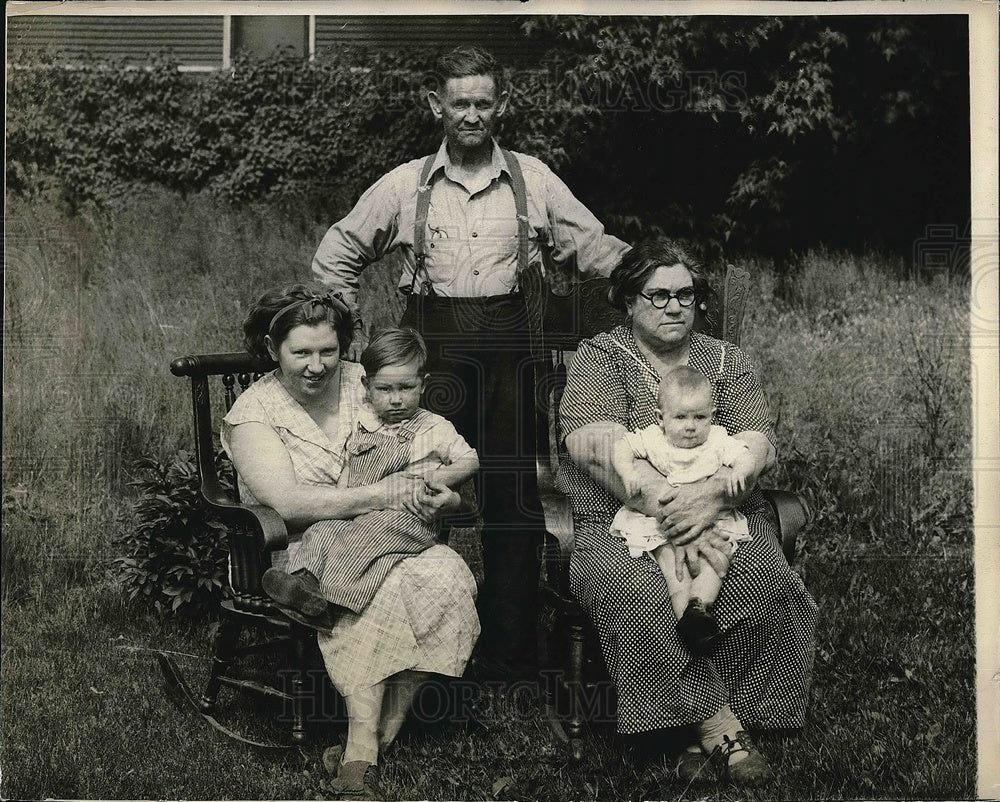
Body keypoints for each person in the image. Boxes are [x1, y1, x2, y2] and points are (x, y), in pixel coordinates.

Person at [311, 45, 630, 683]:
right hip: (436, 352)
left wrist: (652, 281)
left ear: (501, 106)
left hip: (512, 353)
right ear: (438, 107)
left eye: (484, 103)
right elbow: (338, 252)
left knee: (513, 499)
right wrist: (350, 338)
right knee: (421, 490)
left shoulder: (533, 179)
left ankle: (509, 653)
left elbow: (595, 248)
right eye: (460, 103)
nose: (472, 115)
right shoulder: (405, 184)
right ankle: (412, 642)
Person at [557, 239, 817, 787]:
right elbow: (590, 441)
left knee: (761, 572)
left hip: (720, 509)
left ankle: (687, 726)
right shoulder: (598, 359)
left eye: (686, 294)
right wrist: (671, 506)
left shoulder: (725, 360)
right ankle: (718, 728)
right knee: (635, 586)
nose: (675, 306)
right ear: (628, 302)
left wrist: (712, 499)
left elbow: (757, 441)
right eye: (657, 295)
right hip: (619, 518)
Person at [222, 284, 480, 800]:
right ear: (273, 351)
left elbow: (441, 458)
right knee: (379, 592)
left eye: (329, 351)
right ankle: (362, 744)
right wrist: (382, 492)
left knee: (448, 572)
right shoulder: (254, 414)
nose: (317, 366)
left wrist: (445, 498)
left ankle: (382, 734)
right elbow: (288, 504)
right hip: (304, 548)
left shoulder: (369, 385)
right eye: (300, 353)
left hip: (396, 534)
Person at [261, 327, 480, 617]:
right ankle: (305, 582)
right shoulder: (365, 423)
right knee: (323, 530)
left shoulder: (434, 428)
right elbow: (352, 466)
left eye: (406, 388)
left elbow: (471, 459)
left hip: (408, 519)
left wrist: (439, 478)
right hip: (362, 510)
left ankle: (334, 602)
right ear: (367, 386)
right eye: (385, 390)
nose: (396, 399)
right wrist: (341, 499)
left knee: (366, 538)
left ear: (424, 384)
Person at [610, 364, 755, 654]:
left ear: (711, 417)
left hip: (710, 517)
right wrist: (627, 472)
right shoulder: (654, 438)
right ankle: (687, 622)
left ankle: (699, 608)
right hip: (662, 522)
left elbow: (745, 455)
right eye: (680, 417)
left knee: (717, 561)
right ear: (661, 419)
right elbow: (622, 447)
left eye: (700, 417)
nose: (691, 426)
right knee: (672, 566)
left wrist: (741, 469)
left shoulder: (716, 439)